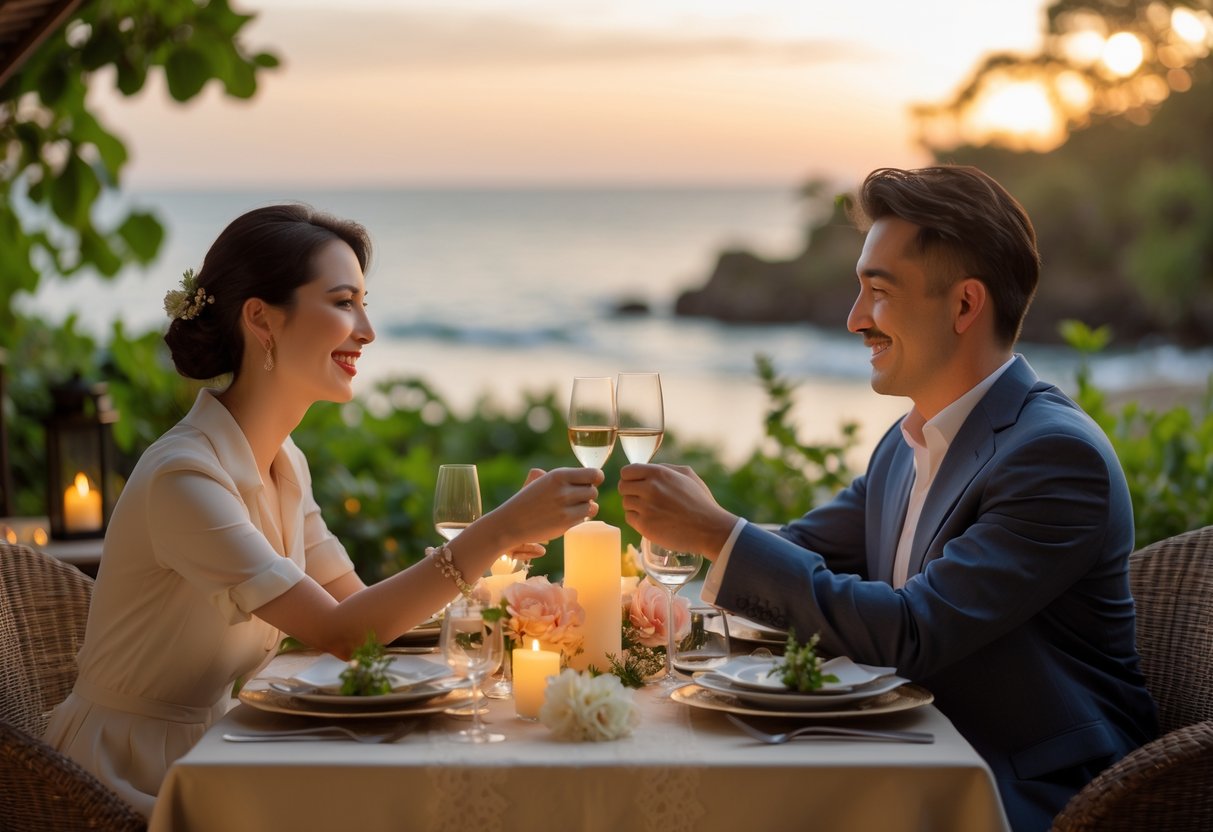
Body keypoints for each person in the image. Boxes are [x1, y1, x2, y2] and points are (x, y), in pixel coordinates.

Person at [619, 166, 1157, 831]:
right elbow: (804, 548)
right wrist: (668, 559)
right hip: (912, 750)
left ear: (963, 305)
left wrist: (718, 536)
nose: (853, 320)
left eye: (877, 291)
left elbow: (912, 632)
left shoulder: (1052, 457)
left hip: (1037, 791)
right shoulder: (907, 443)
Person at [43, 204, 603, 816]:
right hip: (123, 778)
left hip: (222, 747)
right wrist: (497, 529)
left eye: (365, 302)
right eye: (343, 302)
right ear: (261, 319)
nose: (366, 329)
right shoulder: (185, 477)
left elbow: (362, 616)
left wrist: (495, 552)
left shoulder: (284, 461)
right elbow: (342, 635)